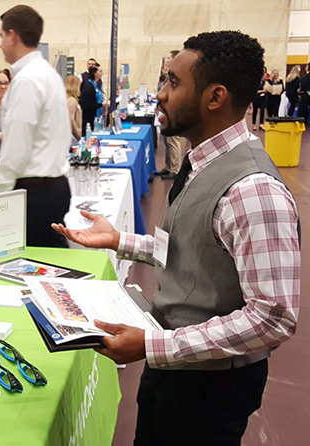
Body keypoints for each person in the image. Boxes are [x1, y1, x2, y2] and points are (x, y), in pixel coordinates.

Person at [53, 30, 299, 445]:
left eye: (173, 82)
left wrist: (156, 345)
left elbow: (272, 317)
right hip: (174, 362)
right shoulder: (202, 159)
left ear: (215, 96)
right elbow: (192, 249)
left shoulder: (253, 190)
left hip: (208, 388)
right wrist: (120, 241)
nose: (161, 94)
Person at [0, 5, 71, 248]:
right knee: (50, 257)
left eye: (1, 36)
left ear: (13, 36)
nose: (0, 44)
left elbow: (17, 144)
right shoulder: (49, 75)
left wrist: (0, 186)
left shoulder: (26, 81)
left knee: (34, 264)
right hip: (53, 184)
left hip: (35, 194)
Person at [156, 50, 190, 180]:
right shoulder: (167, 76)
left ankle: (175, 169)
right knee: (167, 140)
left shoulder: (178, 77)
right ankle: (168, 166)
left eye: (170, 58)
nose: (167, 59)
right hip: (165, 112)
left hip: (174, 112)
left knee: (173, 141)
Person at [80, 65, 103, 136]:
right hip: (89, 120)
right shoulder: (89, 87)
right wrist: (101, 104)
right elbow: (87, 105)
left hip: (97, 117)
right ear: (95, 74)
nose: (102, 73)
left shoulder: (96, 86)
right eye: (100, 71)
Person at [65, 75, 82, 145]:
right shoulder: (72, 101)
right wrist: (78, 133)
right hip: (72, 135)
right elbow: (71, 119)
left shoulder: (67, 99)